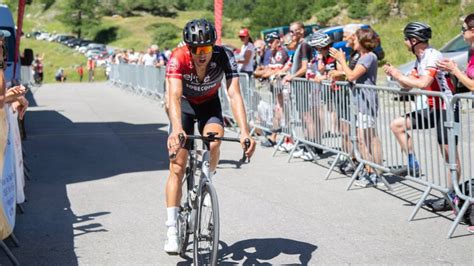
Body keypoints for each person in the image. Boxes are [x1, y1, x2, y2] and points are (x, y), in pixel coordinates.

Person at [164, 19, 256, 253]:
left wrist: (245, 131)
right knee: (177, 165)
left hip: (209, 106)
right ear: (188, 48)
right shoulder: (178, 57)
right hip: (183, 107)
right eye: (196, 49)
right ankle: (172, 227)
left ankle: (206, 179)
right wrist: (177, 129)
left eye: (206, 49)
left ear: (212, 46)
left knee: (214, 141)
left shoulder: (224, 56)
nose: (201, 54)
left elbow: (234, 94)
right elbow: (173, 96)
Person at [383, 22, 460, 193]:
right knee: (397, 125)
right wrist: (396, 76)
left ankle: (452, 193)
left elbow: (424, 82)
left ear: (414, 40)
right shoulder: (420, 58)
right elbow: (407, 88)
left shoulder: (432, 56)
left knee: (449, 156)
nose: (404, 42)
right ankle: (413, 163)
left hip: (447, 108)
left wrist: (398, 75)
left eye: (405, 39)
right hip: (433, 108)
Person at [331, 27, 383, 187]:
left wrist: (341, 60)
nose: (353, 41)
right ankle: (371, 171)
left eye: (356, 39)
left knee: (367, 138)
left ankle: (374, 173)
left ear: (362, 42)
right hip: (360, 102)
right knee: (365, 138)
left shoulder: (368, 57)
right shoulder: (362, 57)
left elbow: (352, 75)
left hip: (366, 102)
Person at [437, 13, 474, 91]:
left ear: (473, 31)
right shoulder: (471, 52)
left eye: (463, 29)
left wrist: (454, 69)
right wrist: (454, 70)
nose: (461, 33)